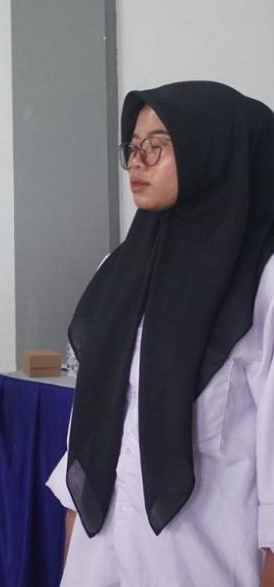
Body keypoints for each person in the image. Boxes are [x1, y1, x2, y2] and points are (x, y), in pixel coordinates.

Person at [46, 82, 274, 584]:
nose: (138, 161)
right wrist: (74, 532)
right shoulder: (118, 271)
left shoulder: (261, 282)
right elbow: (92, 423)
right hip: (102, 557)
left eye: (159, 144)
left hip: (203, 561)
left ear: (215, 154)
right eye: (133, 146)